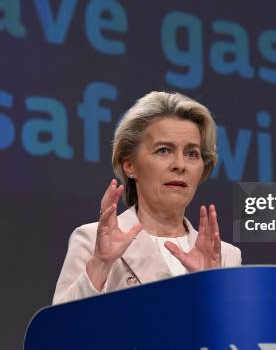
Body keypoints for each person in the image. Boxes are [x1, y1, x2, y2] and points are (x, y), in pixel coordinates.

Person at [52, 91, 241, 304]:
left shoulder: (226, 256)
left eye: (191, 154)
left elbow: (235, 335)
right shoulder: (91, 240)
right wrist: (101, 263)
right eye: (163, 150)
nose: (180, 164)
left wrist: (211, 288)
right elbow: (60, 334)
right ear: (129, 165)